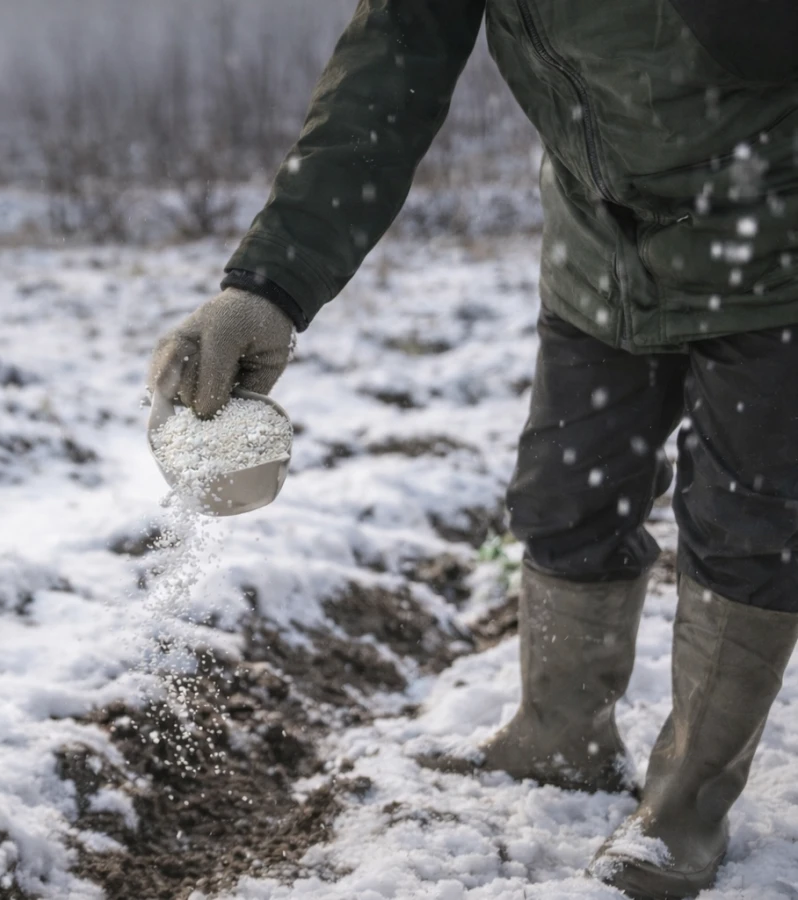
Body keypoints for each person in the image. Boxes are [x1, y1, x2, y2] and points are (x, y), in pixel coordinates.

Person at [146, 2, 798, 897]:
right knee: (567, 494)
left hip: (776, 249)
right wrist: (268, 287)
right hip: (602, 249)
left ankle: (685, 809)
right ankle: (560, 734)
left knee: (748, 526)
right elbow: (387, 72)